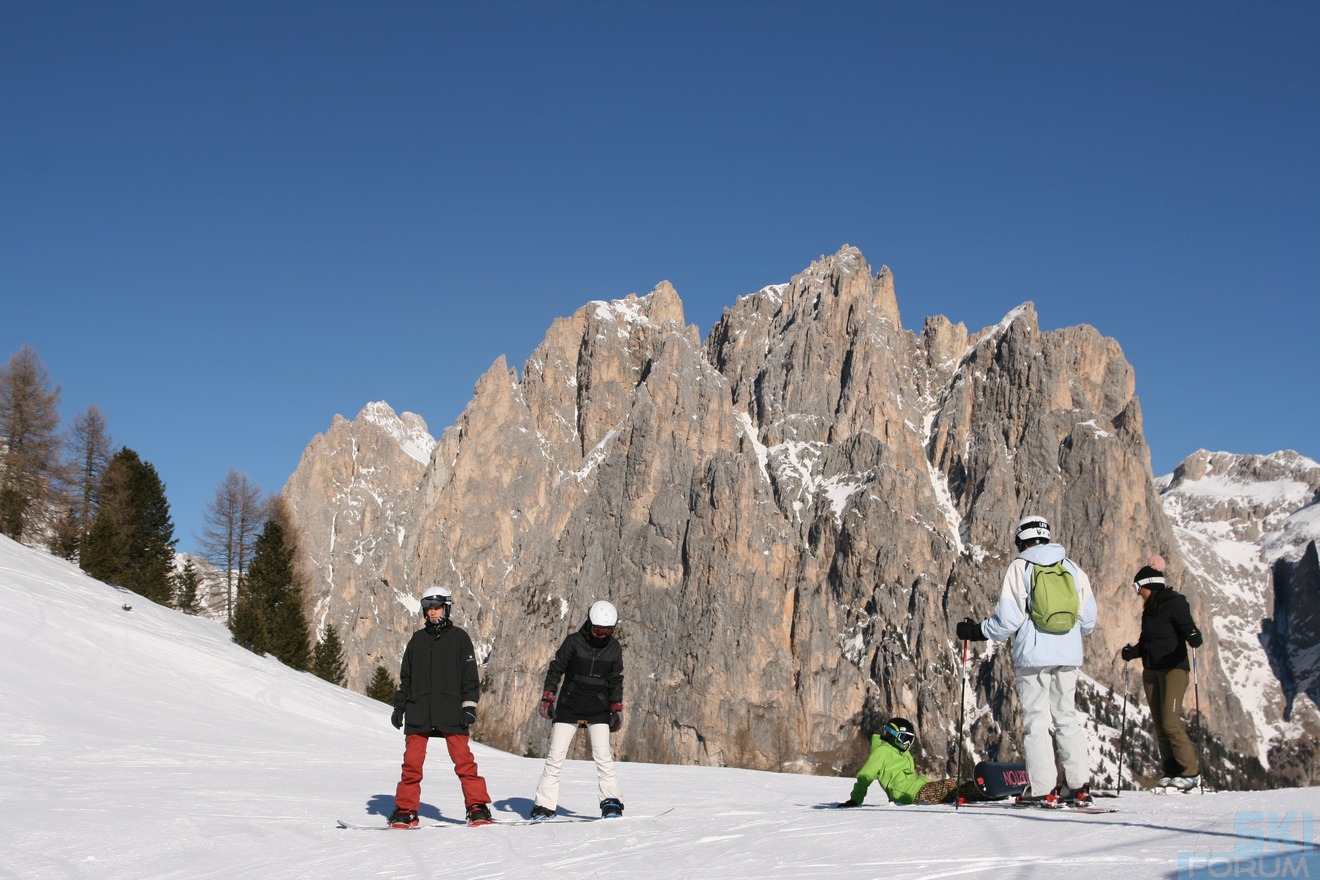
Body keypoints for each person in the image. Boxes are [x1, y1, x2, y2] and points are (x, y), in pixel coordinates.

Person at [956, 514, 1097, 807]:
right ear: (1046, 535)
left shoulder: (1021, 567)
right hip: (1069, 656)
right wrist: (1070, 636)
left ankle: (1043, 788)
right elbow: (1089, 620)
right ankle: (1078, 785)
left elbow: (1008, 620)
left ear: (1021, 539)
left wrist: (978, 631)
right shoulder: (1072, 568)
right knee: (1066, 717)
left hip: (1034, 657)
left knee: (1037, 722)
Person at [387, 585, 492, 828]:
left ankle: (477, 807)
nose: (432, 613)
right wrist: (399, 708)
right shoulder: (417, 641)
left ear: (446, 608)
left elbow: (470, 678)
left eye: (436, 608)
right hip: (419, 710)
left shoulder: (459, 639)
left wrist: (469, 707)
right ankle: (406, 810)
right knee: (411, 765)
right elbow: (406, 679)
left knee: (464, 762)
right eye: (428, 609)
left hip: (450, 710)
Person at [529, 600, 625, 820]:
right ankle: (544, 805)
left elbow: (615, 679)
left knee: (603, 756)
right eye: (599, 629)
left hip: (598, 708)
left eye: (608, 630)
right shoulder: (573, 642)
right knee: (555, 757)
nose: (602, 635)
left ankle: (611, 802)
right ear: (589, 624)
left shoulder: (614, 647)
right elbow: (556, 669)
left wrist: (616, 708)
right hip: (569, 706)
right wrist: (548, 697)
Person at [1121, 555, 1203, 792]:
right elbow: (1149, 641)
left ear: (1149, 584)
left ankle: (1189, 774)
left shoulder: (1174, 602)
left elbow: (1188, 627)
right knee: (1160, 724)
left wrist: (1193, 636)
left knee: (1170, 721)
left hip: (1174, 669)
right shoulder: (1150, 610)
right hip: (1153, 670)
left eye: (1138, 587)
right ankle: (1172, 771)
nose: (1137, 593)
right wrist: (1133, 652)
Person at [837, 717, 983, 806]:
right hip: (909, 794)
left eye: (910, 740)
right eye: (905, 739)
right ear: (893, 735)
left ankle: (991, 791)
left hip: (919, 789)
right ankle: (986, 789)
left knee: (955, 786)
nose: (907, 744)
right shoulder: (882, 752)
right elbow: (865, 776)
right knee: (952, 785)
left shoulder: (900, 753)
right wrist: (855, 800)